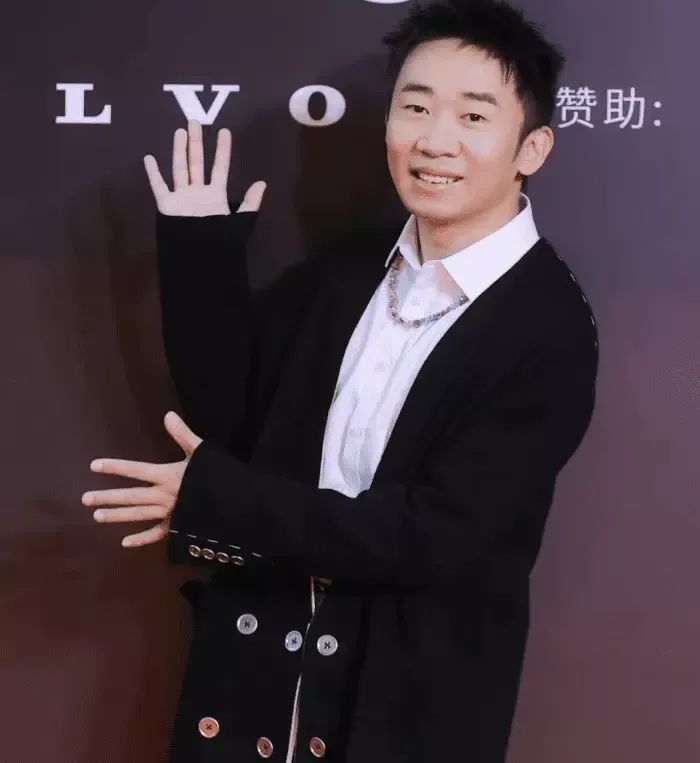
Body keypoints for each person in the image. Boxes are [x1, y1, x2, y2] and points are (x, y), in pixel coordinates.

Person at [82, 1, 599, 761]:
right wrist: (198, 254)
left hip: (404, 710)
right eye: (415, 107)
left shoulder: (550, 326)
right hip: (255, 686)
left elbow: (430, 535)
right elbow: (232, 420)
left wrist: (222, 502)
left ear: (533, 147)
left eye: (472, 116)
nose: (434, 140)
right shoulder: (346, 274)